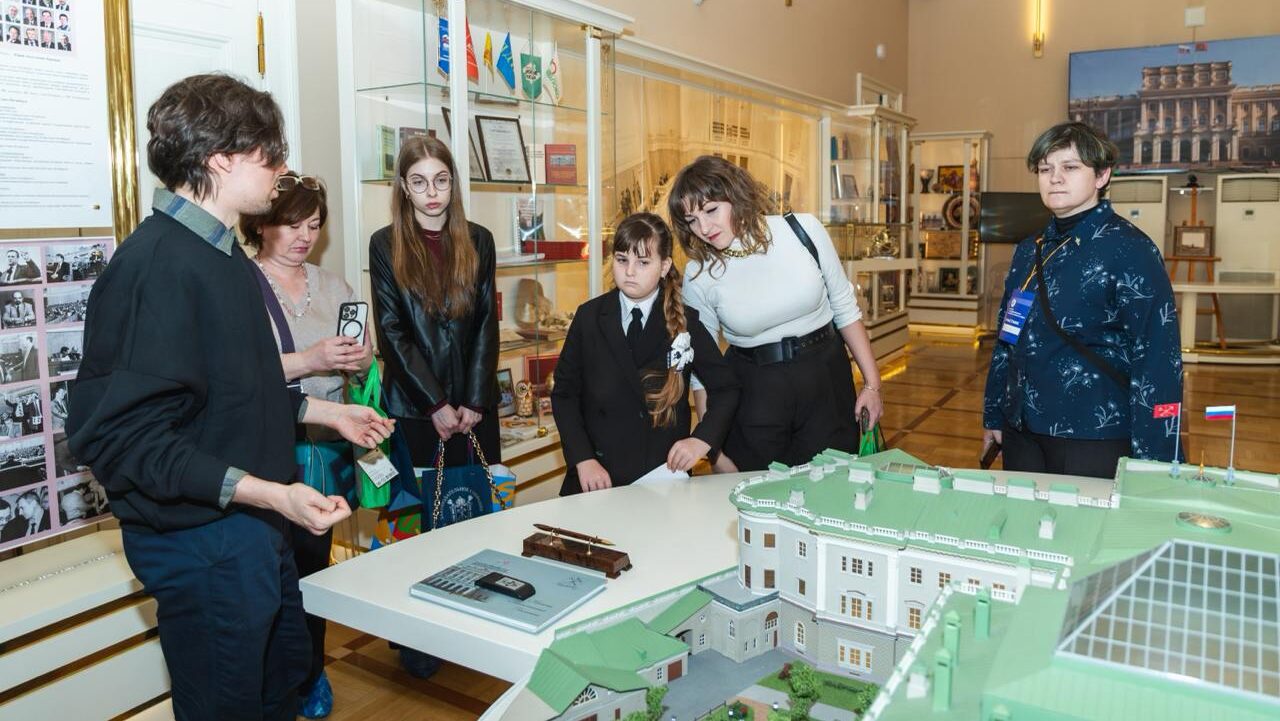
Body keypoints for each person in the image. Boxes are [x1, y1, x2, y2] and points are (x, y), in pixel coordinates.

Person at [66, 73, 394, 721]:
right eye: (271, 154)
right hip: (203, 547)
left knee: (279, 691)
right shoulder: (155, 267)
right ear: (221, 158)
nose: (281, 169)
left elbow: (236, 391)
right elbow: (121, 439)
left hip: (253, 535)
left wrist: (329, 412)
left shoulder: (225, 258)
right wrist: (272, 494)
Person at [240, 170, 371, 720]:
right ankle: (276, 680)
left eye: (314, 225)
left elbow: (363, 357)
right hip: (266, 447)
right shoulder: (242, 284)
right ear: (261, 223)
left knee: (314, 567)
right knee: (270, 574)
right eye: (291, 224)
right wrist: (310, 360)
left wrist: (358, 358)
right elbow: (235, 375)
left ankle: (312, 670)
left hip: (326, 444)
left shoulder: (334, 285)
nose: (303, 237)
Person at [982, 121, 1183, 477]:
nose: (1055, 178)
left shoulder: (1130, 250)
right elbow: (1008, 338)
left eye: (1070, 167)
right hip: (1022, 431)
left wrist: (1155, 458)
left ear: (1102, 175)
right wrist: (995, 413)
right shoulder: (1029, 249)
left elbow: (1157, 358)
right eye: (1045, 169)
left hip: (1093, 434)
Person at [369, 134, 499, 679]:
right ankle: (419, 637)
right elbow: (392, 332)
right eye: (419, 181)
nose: (431, 192)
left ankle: (474, 623)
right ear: (404, 186)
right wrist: (437, 404)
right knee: (421, 526)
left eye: (441, 180)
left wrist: (472, 401)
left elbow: (487, 323)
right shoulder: (385, 245)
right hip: (416, 411)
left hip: (473, 408)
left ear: (453, 183)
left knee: (473, 519)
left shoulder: (479, 239)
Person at [667, 155, 883, 472]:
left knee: (834, 486)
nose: (704, 228)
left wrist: (872, 385)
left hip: (826, 379)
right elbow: (704, 368)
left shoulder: (803, 230)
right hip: (756, 394)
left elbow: (845, 308)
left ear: (736, 195)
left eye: (711, 210)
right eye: (692, 220)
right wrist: (714, 449)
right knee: (761, 492)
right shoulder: (699, 273)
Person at [553, 213, 739, 494]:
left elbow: (727, 388)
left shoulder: (684, 321)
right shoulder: (589, 317)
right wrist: (583, 459)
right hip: (598, 476)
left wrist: (701, 440)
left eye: (642, 262)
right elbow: (564, 395)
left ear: (664, 266)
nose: (629, 271)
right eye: (621, 260)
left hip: (661, 476)